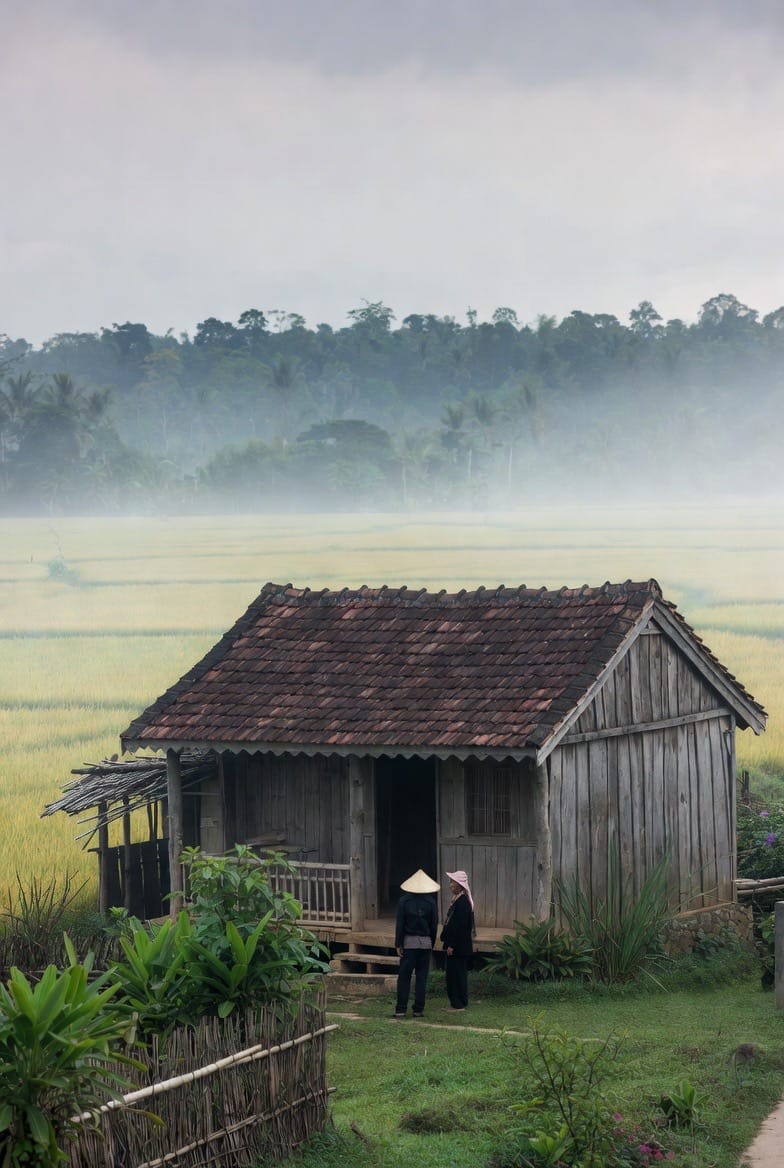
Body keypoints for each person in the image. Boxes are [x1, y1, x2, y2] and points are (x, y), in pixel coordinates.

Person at [393, 869, 440, 1018]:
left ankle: (401, 1009)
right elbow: (434, 925)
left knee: (404, 977)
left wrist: (398, 943)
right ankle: (418, 1009)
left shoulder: (404, 901)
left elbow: (400, 924)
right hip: (425, 943)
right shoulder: (431, 902)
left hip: (409, 942)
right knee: (421, 977)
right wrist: (431, 943)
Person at [440, 869, 474, 1011]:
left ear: (460, 885)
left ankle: (458, 1003)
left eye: (453, 882)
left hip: (458, 947)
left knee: (455, 976)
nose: (450, 886)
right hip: (458, 946)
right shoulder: (459, 901)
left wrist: (451, 945)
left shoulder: (462, 903)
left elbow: (459, 927)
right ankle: (460, 1001)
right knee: (457, 974)